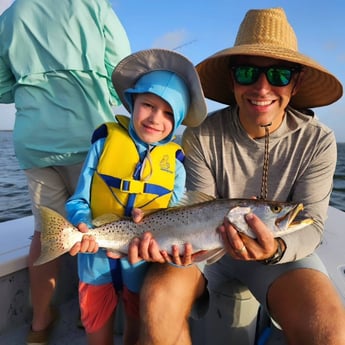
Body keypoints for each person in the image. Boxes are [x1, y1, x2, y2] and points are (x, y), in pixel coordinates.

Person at [129, 7, 345, 345]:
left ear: (297, 81)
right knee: (156, 301)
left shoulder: (318, 141)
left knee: (330, 331)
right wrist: (163, 232)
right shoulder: (201, 134)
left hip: (280, 253)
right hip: (205, 252)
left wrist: (274, 249)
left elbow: (313, 224)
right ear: (232, 79)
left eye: (279, 74)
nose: (262, 88)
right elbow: (195, 207)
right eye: (247, 73)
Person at [0, 1, 131, 344]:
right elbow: (121, 71)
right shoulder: (95, 6)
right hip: (89, 140)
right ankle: (102, 323)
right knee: (101, 227)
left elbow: (1, 87)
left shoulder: (12, 15)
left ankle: (39, 325)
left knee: (45, 234)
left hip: (34, 142)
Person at [65, 48, 207, 345]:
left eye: (169, 113)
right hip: (93, 261)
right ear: (132, 102)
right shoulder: (104, 143)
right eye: (148, 105)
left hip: (140, 263)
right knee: (96, 328)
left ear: (178, 120)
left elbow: (172, 217)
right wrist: (81, 224)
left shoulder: (176, 165)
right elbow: (78, 199)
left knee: (136, 324)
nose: (156, 118)